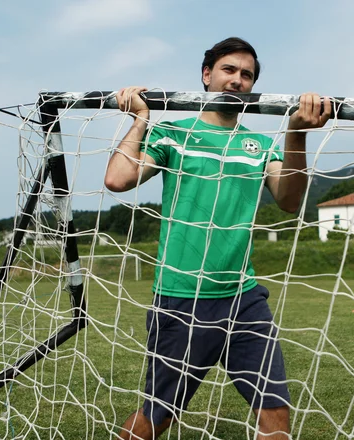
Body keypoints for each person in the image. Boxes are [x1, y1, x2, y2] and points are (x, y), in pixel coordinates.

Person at [104, 37, 332, 440]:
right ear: (207, 75)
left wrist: (296, 132)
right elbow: (117, 179)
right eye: (229, 70)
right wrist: (141, 120)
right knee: (156, 419)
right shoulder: (174, 134)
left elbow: (290, 201)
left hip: (244, 298)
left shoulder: (259, 145)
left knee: (275, 413)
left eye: (247, 75)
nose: (237, 80)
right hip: (182, 298)